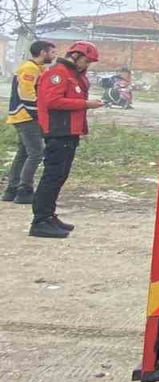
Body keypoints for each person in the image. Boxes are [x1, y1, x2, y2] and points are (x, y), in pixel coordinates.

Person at [30, 41, 103, 239]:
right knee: (52, 176)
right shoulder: (58, 73)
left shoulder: (74, 75)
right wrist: (85, 104)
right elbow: (52, 101)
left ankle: (49, 215)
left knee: (60, 175)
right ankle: (40, 221)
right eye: (86, 61)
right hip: (58, 131)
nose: (87, 65)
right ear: (76, 56)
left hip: (69, 131)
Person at [3, 40, 57, 204]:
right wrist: (39, 115)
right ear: (43, 52)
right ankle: (24, 190)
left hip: (25, 116)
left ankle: (12, 189)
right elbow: (27, 96)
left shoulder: (38, 68)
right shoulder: (29, 69)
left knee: (24, 153)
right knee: (36, 153)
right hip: (26, 116)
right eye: (52, 52)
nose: (54, 56)